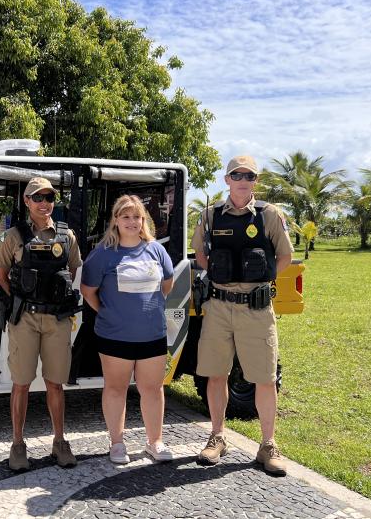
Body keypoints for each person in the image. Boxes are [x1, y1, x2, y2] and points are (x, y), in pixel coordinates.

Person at [190, 155, 294, 476]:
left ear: (255, 181)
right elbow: (200, 254)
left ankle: (268, 445)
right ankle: (217, 437)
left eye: (249, 175)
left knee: (264, 377)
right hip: (219, 307)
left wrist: (260, 281)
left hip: (256, 309)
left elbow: (285, 256)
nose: (243, 180)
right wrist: (223, 278)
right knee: (215, 374)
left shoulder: (269, 215)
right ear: (227, 180)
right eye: (237, 175)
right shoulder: (210, 215)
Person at [0, 177, 81, 471]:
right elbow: (1, 276)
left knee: (55, 383)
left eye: (49, 197)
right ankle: (18, 445)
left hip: (57, 319)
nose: (44, 203)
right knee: (21, 383)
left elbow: (71, 272)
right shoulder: (14, 236)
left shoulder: (67, 236)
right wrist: (21, 300)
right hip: (26, 320)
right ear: (27, 201)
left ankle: (60, 442)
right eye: (38, 197)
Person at [80, 195, 175, 464]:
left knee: (153, 389)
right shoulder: (103, 253)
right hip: (114, 336)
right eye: (125, 216)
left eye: (136, 217)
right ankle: (117, 443)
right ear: (116, 220)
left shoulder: (156, 250)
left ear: (143, 220)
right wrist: (109, 312)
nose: (132, 222)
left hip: (152, 335)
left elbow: (166, 285)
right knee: (115, 389)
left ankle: (155, 442)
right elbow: (88, 291)